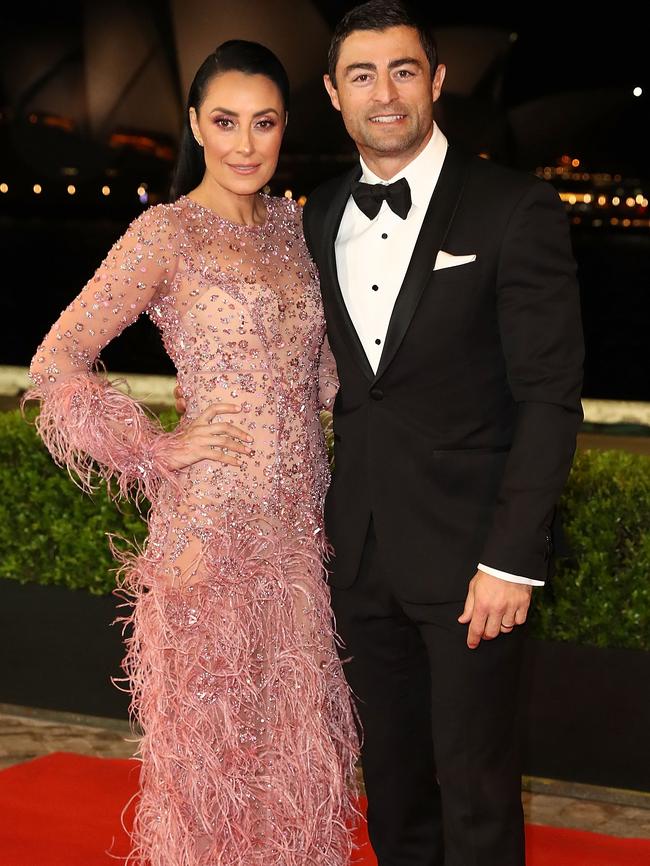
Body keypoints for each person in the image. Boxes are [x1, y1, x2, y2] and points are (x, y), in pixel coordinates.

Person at [25, 40, 359, 866]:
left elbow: (325, 381)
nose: (246, 143)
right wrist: (153, 448)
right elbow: (54, 363)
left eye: (265, 122)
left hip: (299, 538)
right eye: (225, 122)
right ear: (195, 127)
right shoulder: (163, 234)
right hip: (207, 535)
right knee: (208, 764)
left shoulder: (298, 228)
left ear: (286, 129)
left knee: (294, 760)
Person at [300, 3, 584, 865]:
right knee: (390, 784)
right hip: (362, 560)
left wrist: (511, 558)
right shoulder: (317, 216)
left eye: (402, 70)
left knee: (476, 788)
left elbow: (549, 397)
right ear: (333, 93)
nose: (383, 94)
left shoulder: (514, 206)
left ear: (436, 80)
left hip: (473, 564)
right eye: (361, 74)